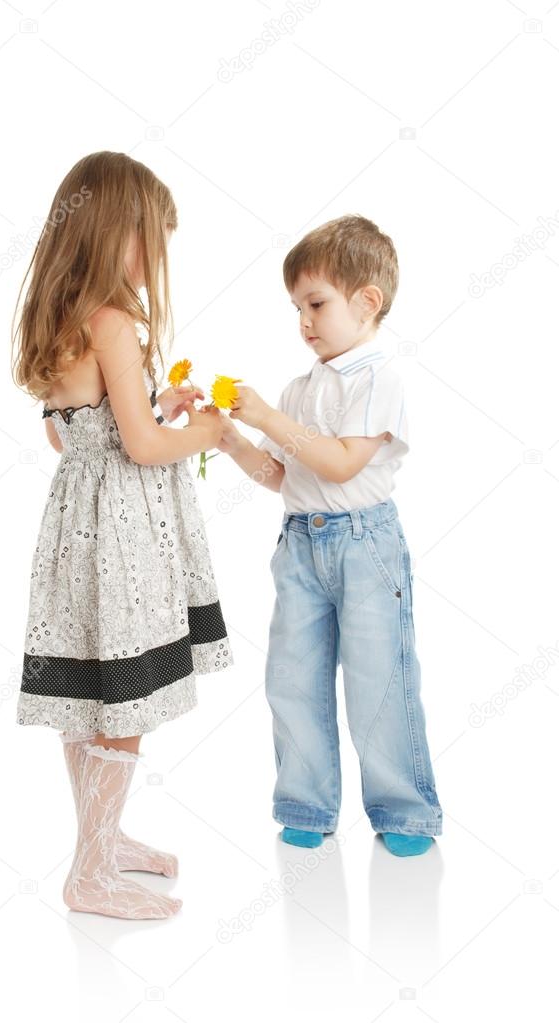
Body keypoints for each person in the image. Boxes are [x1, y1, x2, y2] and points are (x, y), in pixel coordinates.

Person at [11, 151, 232, 918]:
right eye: (152, 239)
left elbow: (68, 433)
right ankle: (90, 872)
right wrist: (201, 428)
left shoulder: (62, 312)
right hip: (122, 535)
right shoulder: (112, 318)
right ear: (116, 233)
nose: (157, 258)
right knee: (125, 697)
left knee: (90, 691)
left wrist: (152, 397)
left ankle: (100, 840)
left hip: (76, 524)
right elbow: (141, 445)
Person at [218, 215, 443, 857]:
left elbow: (342, 462)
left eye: (316, 303)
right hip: (300, 545)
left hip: (365, 546)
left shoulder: (379, 380)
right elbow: (279, 473)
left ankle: (404, 809)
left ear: (367, 303)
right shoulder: (298, 388)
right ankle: (306, 803)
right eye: (297, 307)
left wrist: (264, 414)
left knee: (380, 677)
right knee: (294, 677)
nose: (304, 320)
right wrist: (232, 435)